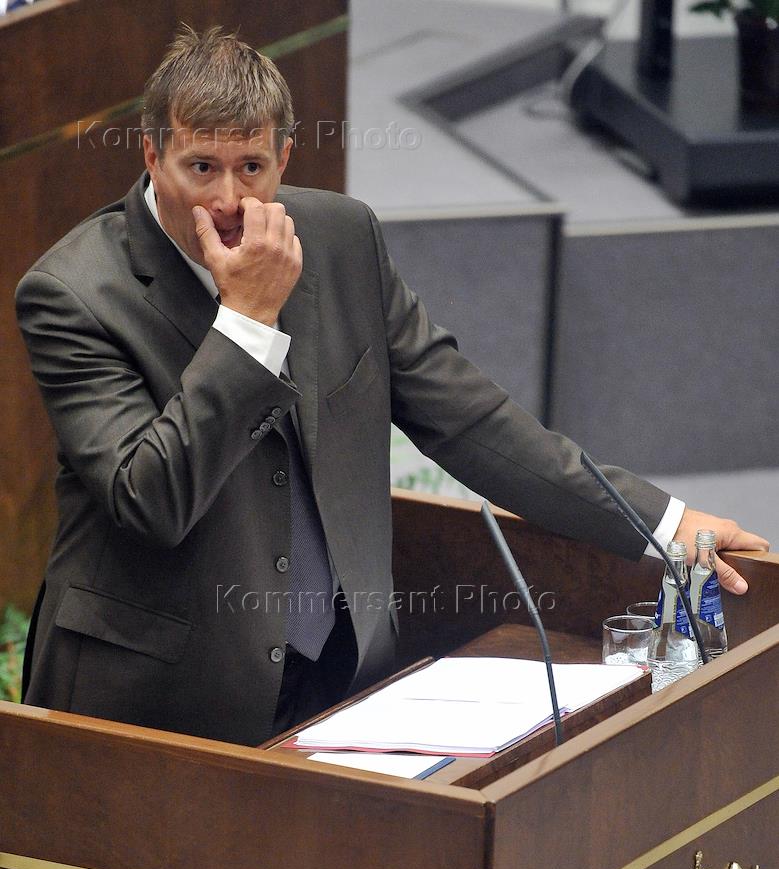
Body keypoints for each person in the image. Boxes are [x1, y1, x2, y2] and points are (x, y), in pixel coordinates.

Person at [15, 26, 768, 746]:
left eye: (251, 167)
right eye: (201, 167)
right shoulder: (74, 294)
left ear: (284, 156)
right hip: (161, 703)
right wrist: (246, 321)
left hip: (341, 674)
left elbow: (467, 420)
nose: (228, 200)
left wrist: (661, 523)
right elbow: (151, 501)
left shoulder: (341, 239)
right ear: (152, 154)